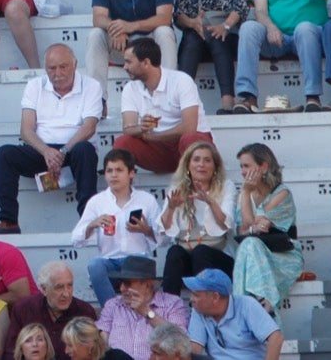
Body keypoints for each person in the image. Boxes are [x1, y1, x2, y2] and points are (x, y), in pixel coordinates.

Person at [0, 44, 101, 234]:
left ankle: (88, 220)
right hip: (42, 150)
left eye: (63, 66)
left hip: (74, 149)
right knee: (6, 153)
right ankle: (9, 221)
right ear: (45, 69)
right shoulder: (35, 85)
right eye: (52, 68)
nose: (58, 73)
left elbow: (89, 127)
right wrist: (46, 152)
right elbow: (26, 130)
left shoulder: (91, 86)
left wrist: (62, 151)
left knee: (85, 150)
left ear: (75, 64)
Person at [173, 0, 250, 114]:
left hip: (228, 30)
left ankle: (227, 102)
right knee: (191, 39)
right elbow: (178, 14)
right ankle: (182, 104)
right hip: (197, 30)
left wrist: (225, 26)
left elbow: (241, 5)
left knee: (218, 37)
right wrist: (193, 23)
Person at [72, 151, 162, 308]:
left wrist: (146, 230)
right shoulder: (97, 202)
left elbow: (162, 238)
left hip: (137, 259)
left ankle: (136, 311)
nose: (114, 175)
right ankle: (112, 312)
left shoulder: (146, 200)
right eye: (109, 171)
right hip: (109, 262)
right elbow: (76, 239)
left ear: (131, 173)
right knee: (95, 265)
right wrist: (93, 224)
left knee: (138, 264)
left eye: (119, 170)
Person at [115, 39, 213, 174]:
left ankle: (199, 191)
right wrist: (141, 128)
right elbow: (128, 129)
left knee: (190, 139)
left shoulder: (181, 81)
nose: (124, 67)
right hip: (159, 150)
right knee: (122, 143)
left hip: (189, 145)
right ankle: (125, 194)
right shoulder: (130, 88)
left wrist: (154, 137)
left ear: (146, 63)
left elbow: (189, 127)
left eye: (129, 62)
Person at [231, 144, 304, 317]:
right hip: (254, 252)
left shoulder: (282, 193)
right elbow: (244, 229)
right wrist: (247, 195)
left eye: (246, 166)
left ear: (263, 166)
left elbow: (253, 227)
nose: (242, 171)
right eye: (241, 166)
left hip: (283, 256)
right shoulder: (245, 193)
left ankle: (254, 305)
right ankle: (263, 303)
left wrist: (246, 197)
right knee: (249, 244)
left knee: (250, 244)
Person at [158, 142, 235, 296]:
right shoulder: (176, 189)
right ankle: (170, 309)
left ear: (215, 166)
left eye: (207, 160)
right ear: (188, 165)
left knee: (201, 252)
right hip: (188, 257)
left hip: (217, 260)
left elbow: (226, 224)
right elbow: (164, 230)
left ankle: (204, 307)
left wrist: (210, 201)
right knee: (174, 252)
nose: (201, 165)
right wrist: (171, 208)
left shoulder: (226, 186)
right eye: (196, 160)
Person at [95, 257, 188, 360]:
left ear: (147, 284)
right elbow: (101, 339)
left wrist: (146, 311)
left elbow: (180, 341)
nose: (121, 288)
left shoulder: (172, 303)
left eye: (127, 283)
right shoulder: (113, 305)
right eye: (120, 282)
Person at [3, 262, 97, 360]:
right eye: (59, 287)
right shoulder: (24, 308)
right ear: (44, 289)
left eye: (69, 286)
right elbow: (11, 352)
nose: (66, 294)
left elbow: (95, 351)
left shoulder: (84, 312)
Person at [184, 269, 283, 360]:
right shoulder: (199, 310)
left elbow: (276, 337)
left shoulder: (246, 304)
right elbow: (195, 348)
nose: (191, 299)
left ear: (215, 297)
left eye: (196, 295)